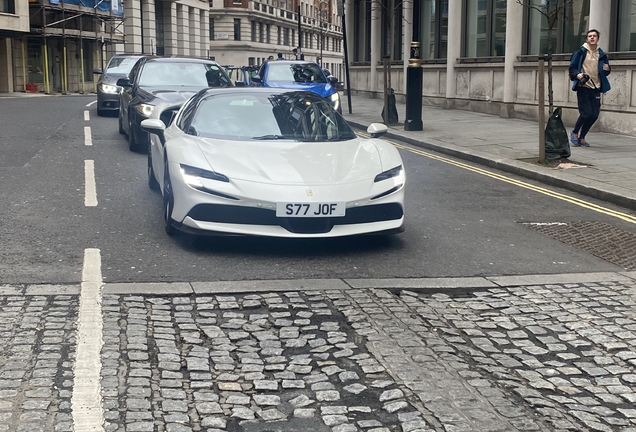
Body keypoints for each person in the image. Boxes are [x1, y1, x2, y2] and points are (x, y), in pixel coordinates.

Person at [568, 29, 611, 147]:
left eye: (594, 36)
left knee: (594, 114)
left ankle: (582, 137)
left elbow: (605, 71)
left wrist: (607, 69)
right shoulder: (580, 52)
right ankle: (575, 132)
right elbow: (572, 68)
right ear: (587, 39)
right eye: (590, 36)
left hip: (596, 86)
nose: (592, 38)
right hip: (583, 85)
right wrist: (578, 74)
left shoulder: (601, 54)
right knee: (586, 113)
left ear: (598, 38)